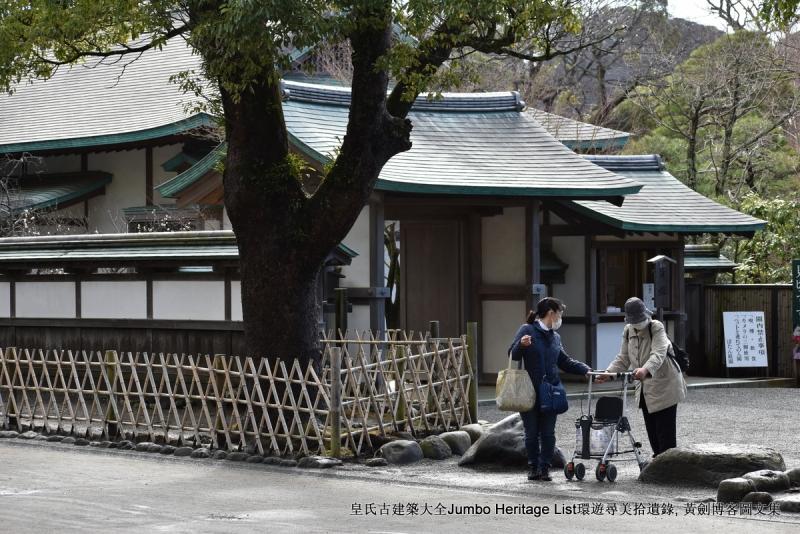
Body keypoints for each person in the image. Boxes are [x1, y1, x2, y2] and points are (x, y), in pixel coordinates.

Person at [509, 297, 591, 481]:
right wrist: (521, 345)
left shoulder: (555, 337)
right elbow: (512, 354)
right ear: (552, 313)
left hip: (551, 391)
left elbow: (564, 361)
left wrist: (585, 370)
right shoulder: (527, 330)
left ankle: (544, 467)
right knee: (531, 432)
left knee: (548, 433)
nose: (561, 318)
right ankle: (533, 467)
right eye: (560, 313)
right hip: (528, 390)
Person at [596, 297, 687, 458]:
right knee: (652, 431)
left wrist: (645, 369)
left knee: (665, 432)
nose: (638, 323)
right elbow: (623, 358)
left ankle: (668, 467)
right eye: (634, 321)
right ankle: (659, 463)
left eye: (640, 319)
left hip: (666, 384)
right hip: (645, 388)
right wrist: (608, 374)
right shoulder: (627, 330)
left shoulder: (656, 327)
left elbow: (658, 354)